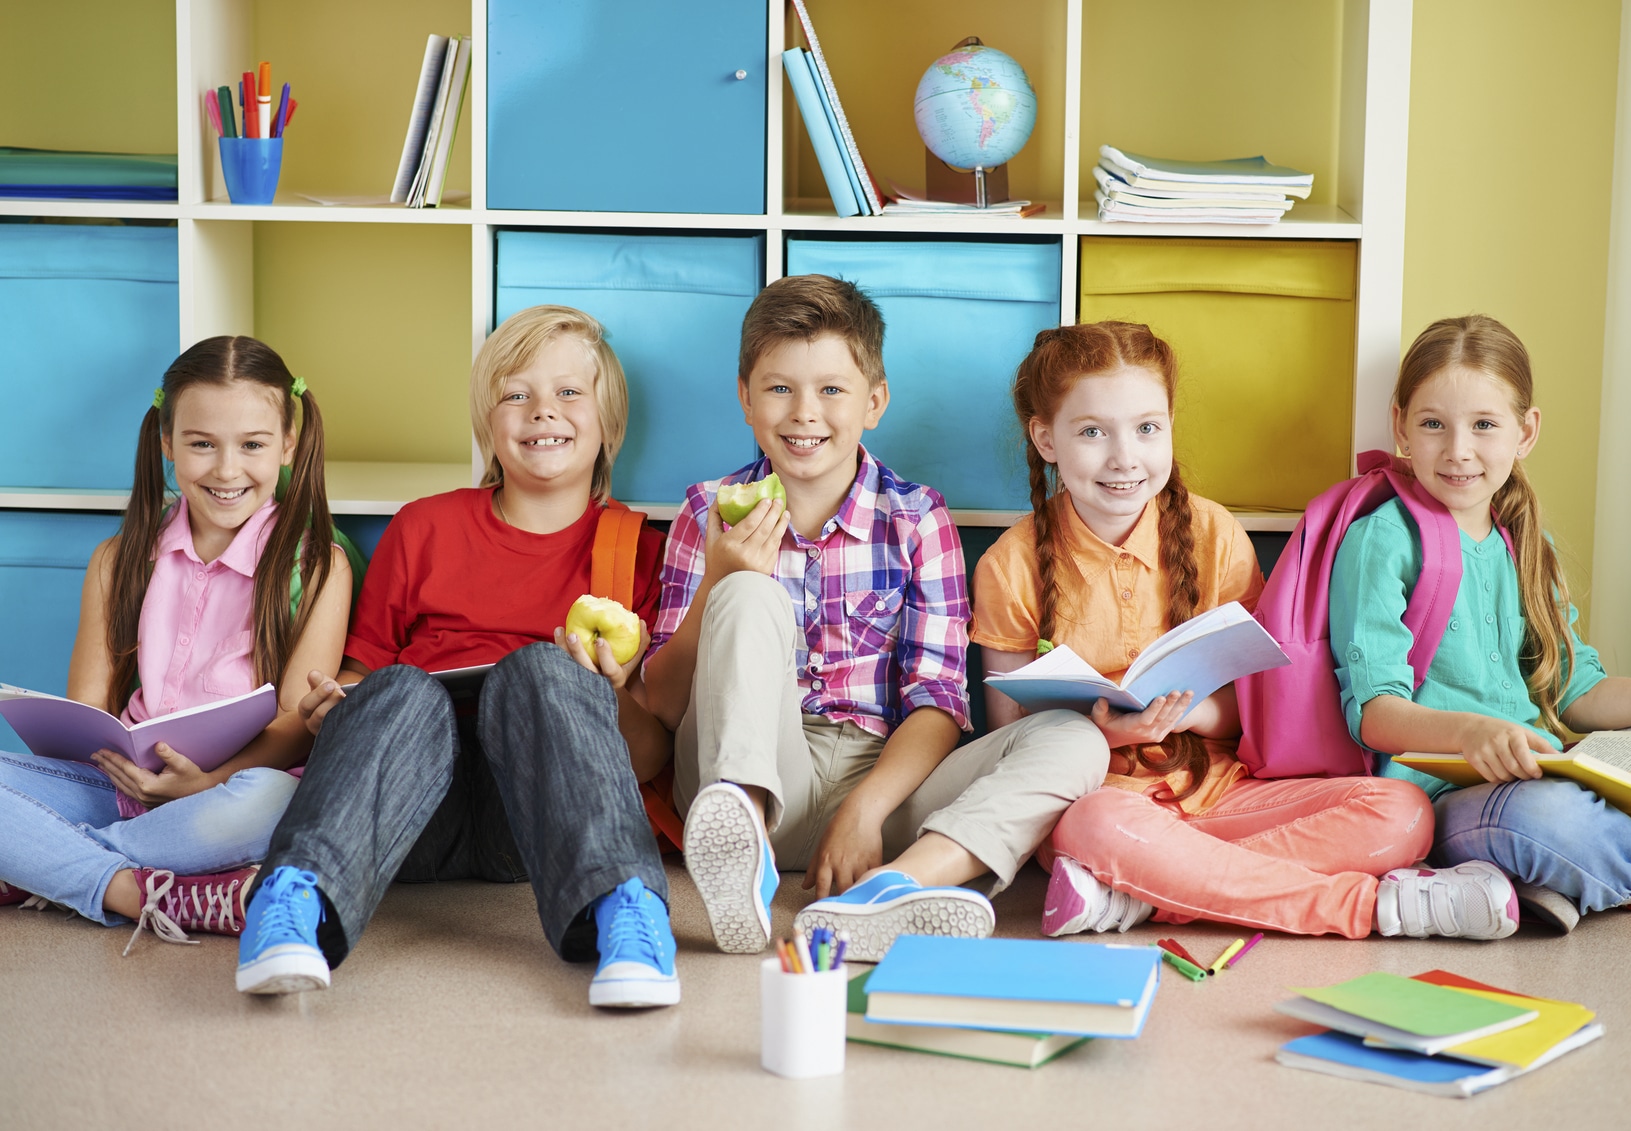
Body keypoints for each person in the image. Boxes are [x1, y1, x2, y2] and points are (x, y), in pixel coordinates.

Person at [644, 274, 1106, 962]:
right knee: (749, 594)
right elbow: (664, 704)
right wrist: (719, 577)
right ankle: (741, 856)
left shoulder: (919, 519)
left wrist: (865, 809)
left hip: (885, 787)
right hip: (746, 767)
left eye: (831, 389)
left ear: (875, 402)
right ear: (745, 398)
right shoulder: (707, 510)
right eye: (780, 388)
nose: (805, 413)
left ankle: (886, 892)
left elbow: (939, 700)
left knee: (1075, 739)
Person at [1011, 323, 1519, 942]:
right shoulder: (1009, 565)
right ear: (1046, 438)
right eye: (1093, 432)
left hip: (1223, 794)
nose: (1124, 457)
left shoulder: (1215, 534)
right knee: (1096, 825)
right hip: (1102, 799)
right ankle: (1369, 908)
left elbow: (1256, 709)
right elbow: (1016, 742)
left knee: (1402, 813)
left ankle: (1148, 887)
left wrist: (1192, 713)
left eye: (1147, 428)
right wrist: (1104, 729)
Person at [235, 305, 681, 1008]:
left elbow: (651, 760)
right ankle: (292, 900)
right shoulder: (425, 525)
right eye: (516, 393)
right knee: (403, 687)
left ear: (607, 421)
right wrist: (339, 706)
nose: (543, 412)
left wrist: (604, 690)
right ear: (487, 420)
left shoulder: (638, 552)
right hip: (407, 805)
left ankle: (628, 908)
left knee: (542, 669)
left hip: (536, 819)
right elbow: (362, 671)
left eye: (569, 392)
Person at [1329, 314, 1631, 933]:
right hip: (1445, 799)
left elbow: (1578, 696)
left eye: (1483, 425)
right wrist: (1472, 733)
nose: (1458, 450)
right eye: (1432, 425)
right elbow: (1373, 713)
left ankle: (1564, 873)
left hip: (1544, 769)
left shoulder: (1526, 544)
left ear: (1525, 432)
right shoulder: (1382, 542)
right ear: (1401, 426)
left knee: (1601, 793)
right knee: (1553, 823)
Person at [0, 337, 352, 953]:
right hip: (112, 788)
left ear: (288, 445)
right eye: (200, 444)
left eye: (253, 445)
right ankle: (139, 890)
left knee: (276, 804)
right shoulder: (119, 559)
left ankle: (42, 867)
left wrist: (204, 782)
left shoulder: (321, 566)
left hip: (229, 792)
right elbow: (87, 710)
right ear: (167, 444)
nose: (225, 469)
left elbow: (297, 723)